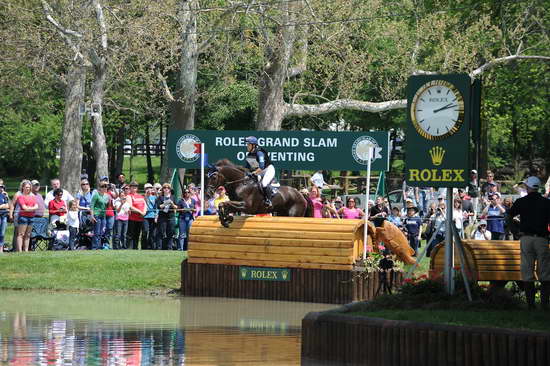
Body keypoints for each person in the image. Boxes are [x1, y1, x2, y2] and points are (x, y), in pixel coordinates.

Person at [508, 176, 550, 309]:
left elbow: (508, 216)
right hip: (542, 239)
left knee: (527, 272)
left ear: (528, 187)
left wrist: (515, 231)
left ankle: (531, 305)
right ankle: (544, 305)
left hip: (525, 238)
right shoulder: (546, 202)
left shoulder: (521, 201)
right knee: (545, 273)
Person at [244, 136, 275, 207]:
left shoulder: (259, 153)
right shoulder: (249, 155)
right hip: (260, 171)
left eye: (248, 145)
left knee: (264, 183)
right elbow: (247, 168)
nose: (247, 146)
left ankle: (269, 200)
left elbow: (261, 167)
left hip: (268, 169)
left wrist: (254, 172)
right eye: (247, 145)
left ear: (253, 145)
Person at [15, 180, 37, 252]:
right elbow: (24, 208)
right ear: (23, 187)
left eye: (29, 187)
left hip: (31, 217)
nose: (28, 188)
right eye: (26, 187)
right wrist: (31, 208)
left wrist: (29, 208)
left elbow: (36, 206)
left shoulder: (33, 197)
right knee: (21, 234)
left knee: (28, 234)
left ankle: (26, 250)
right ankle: (20, 250)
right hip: (23, 217)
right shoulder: (20, 197)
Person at [155, 183, 177, 250]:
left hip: (171, 217)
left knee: (170, 232)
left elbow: (176, 207)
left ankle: (169, 247)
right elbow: (159, 206)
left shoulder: (173, 197)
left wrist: (172, 203)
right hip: (162, 217)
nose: (166, 189)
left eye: (168, 188)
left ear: (170, 189)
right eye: (164, 188)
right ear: (163, 189)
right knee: (161, 232)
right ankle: (159, 247)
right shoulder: (160, 197)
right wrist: (166, 202)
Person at [90, 183, 111, 250]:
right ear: (99, 188)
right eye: (102, 186)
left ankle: (99, 246)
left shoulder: (107, 196)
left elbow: (107, 206)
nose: (104, 188)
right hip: (97, 215)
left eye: (105, 186)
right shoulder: (96, 195)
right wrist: (92, 216)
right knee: (97, 232)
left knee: (101, 232)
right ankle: (94, 247)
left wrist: (110, 201)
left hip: (103, 215)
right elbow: (92, 206)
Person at [127, 181, 146, 250]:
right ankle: (130, 247)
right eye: (133, 187)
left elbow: (145, 205)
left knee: (137, 234)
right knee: (131, 234)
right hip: (132, 218)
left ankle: (135, 247)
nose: (134, 188)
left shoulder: (141, 196)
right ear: (130, 188)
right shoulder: (129, 196)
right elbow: (130, 206)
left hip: (140, 218)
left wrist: (144, 212)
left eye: (135, 187)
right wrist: (140, 212)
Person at [142, 183, 158, 250]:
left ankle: (151, 246)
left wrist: (156, 216)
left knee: (152, 232)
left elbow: (157, 207)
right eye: (147, 188)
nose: (149, 189)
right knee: (145, 231)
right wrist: (146, 195)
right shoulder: (143, 197)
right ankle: (144, 246)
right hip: (146, 216)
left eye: (150, 188)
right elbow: (145, 204)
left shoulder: (155, 197)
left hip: (153, 216)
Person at [0, 181, 9, 253]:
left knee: (2, 233)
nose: (1, 188)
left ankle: (1, 249)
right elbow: (4, 205)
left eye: (2, 187)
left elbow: (7, 205)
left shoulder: (4, 195)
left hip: (4, 216)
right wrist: (3, 206)